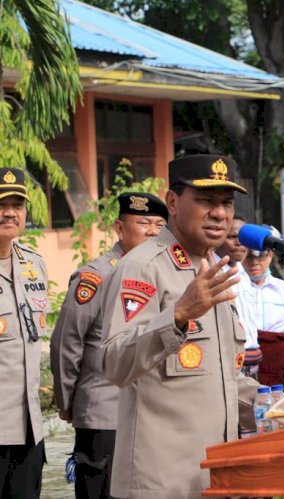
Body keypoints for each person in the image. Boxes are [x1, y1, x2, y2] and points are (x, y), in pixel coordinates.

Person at [100, 154, 251, 498]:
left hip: (215, 478)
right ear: (172, 202)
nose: (220, 213)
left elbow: (221, 376)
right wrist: (178, 315)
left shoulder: (213, 266)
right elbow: (113, 363)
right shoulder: (143, 267)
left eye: (226, 203)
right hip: (161, 482)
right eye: (205, 201)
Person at [50, 192, 168, 499]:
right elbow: (67, 341)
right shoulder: (96, 276)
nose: (153, 231)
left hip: (150, 412)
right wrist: (67, 400)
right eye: (144, 223)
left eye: (159, 225)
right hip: (105, 411)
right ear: (119, 228)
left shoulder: (161, 274)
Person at [0, 168, 47, 497]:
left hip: (30, 429)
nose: (10, 212)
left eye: (18, 204)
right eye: (2, 204)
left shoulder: (34, 264)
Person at [242, 244, 284, 393]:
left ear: (270, 256)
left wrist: (273, 345)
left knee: (277, 401)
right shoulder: (235, 288)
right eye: (249, 256)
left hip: (276, 357)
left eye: (261, 256)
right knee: (246, 399)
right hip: (244, 356)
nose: (254, 262)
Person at [213, 214, 263, 379]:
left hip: (252, 361)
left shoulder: (244, 274)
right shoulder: (211, 272)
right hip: (228, 362)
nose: (239, 242)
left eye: (243, 238)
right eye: (232, 237)